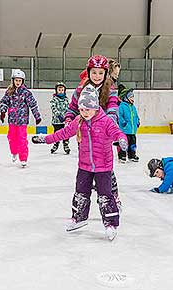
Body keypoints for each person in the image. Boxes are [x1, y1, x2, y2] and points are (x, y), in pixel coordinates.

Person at [32, 85, 128, 241]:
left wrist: (122, 140)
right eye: (82, 110)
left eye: (87, 110)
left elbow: (117, 133)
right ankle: (79, 217)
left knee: (105, 196)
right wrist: (46, 139)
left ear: (96, 107)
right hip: (84, 165)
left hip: (103, 167)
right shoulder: (79, 121)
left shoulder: (105, 122)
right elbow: (63, 133)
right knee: (81, 193)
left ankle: (111, 224)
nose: (84, 113)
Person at [65, 55, 122, 210]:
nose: (97, 76)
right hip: (83, 133)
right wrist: (69, 119)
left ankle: (112, 197)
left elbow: (112, 108)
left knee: (105, 168)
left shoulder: (110, 90)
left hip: (102, 134)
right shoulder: (80, 90)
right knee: (86, 165)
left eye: (100, 73)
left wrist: (110, 123)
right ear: (88, 72)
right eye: (94, 72)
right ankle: (83, 199)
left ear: (105, 74)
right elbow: (72, 108)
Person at [0, 69, 41, 167]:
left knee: (22, 139)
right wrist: (3, 111)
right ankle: (14, 152)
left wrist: (37, 116)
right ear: (13, 80)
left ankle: (23, 158)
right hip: (12, 120)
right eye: (16, 80)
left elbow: (33, 104)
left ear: (22, 81)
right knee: (11, 137)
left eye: (20, 80)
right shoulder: (9, 91)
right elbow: (4, 102)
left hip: (23, 120)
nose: (18, 82)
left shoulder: (26, 93)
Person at [118, 86, 140, 163]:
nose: (132, 98)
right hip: (125, 129)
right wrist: (123, 122)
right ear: (125, 98)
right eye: (131, 97)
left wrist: (138, 121)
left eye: (133, 97)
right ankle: (122, 156)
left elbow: (136, 115)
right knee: (124, 144)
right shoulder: (122, 106)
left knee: (133, 144)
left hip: (132, 130)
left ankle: (132, 155)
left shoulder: (133, 107)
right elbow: (120, 116)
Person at [50, 82, 70, 154]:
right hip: (56, 121)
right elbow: (53, 108)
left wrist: (68, 116)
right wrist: (58, 115)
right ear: (56, 90)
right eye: (59, 89)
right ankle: (56, 143)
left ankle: (66, 143)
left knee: (66, 132)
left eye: (62, 90)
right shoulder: (54, 99)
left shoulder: (66, 99)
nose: (61, 91)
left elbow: (68, 108)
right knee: (57, 132)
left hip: (65, 120)